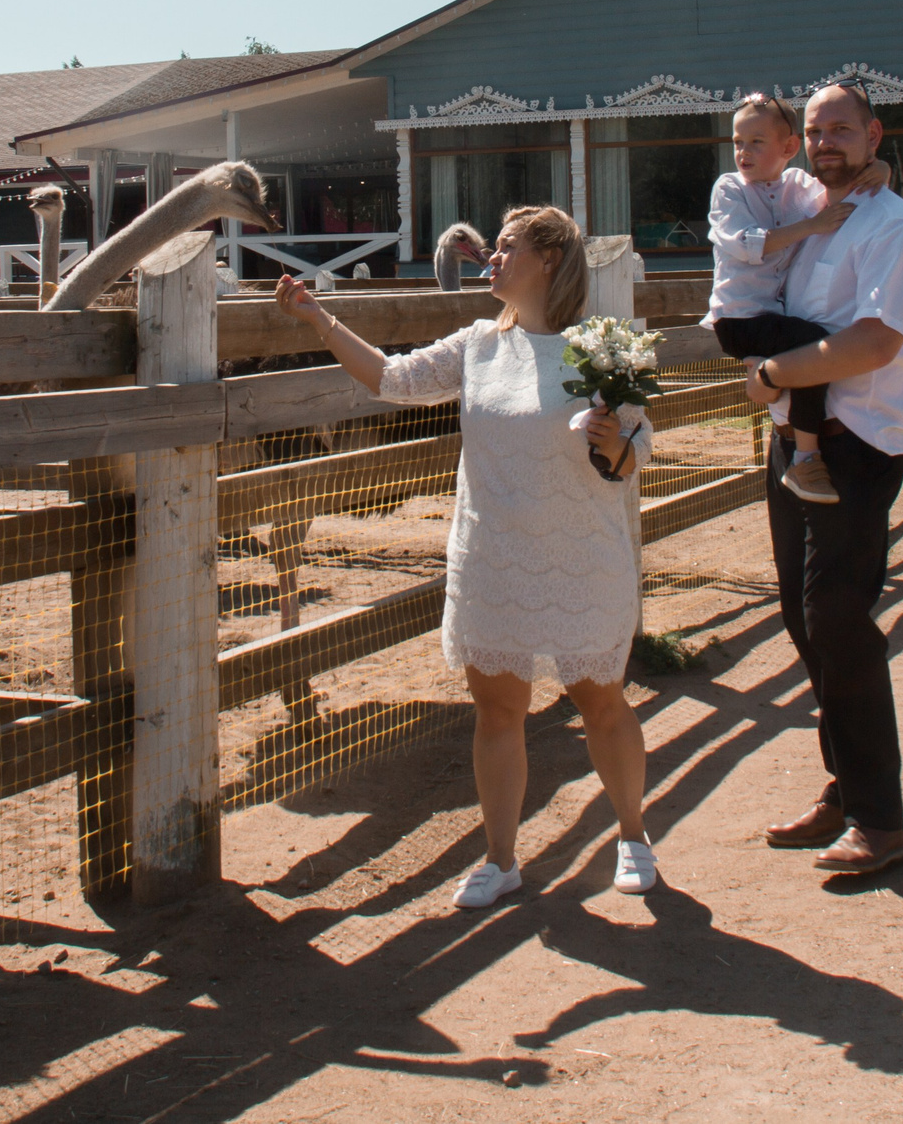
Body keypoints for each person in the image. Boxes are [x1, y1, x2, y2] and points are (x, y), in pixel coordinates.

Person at [275, 205, 656, 909]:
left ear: (549, 259)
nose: (492, 258)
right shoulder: (478, 345)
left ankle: (632, 835)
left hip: (579, 557)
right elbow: (392, 378)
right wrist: (319, 320)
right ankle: (501, 858)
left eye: (507, 247)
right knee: (497, 710)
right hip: (494, 558)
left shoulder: (598, 349)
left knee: (599, 701)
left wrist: (617, 446)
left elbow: (635, 453)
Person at [737, 83, 903, 876]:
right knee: (802, 615)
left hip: (855, 446)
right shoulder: (810, 211)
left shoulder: (896, 225)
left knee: (839, 620)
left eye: (842, 130)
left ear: (874, 134)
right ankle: (846, 786)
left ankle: (880, 819)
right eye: (816, 130)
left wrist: (773, 372)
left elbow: (878, 339)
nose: (826, 142)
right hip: (795, 440)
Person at [706, 93, 888, 504]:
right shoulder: (729, 189)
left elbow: (839, 187)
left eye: (756, 142)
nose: (743, 152)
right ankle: (806, 458)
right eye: (737, 142)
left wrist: (880, 169)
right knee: (813, 348)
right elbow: (748, 244)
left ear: (789, 147)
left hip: (771, 316)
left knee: (807, 352)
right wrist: (812, 226)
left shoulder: (799, 186)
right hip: (739, 318)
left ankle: (793, 435)